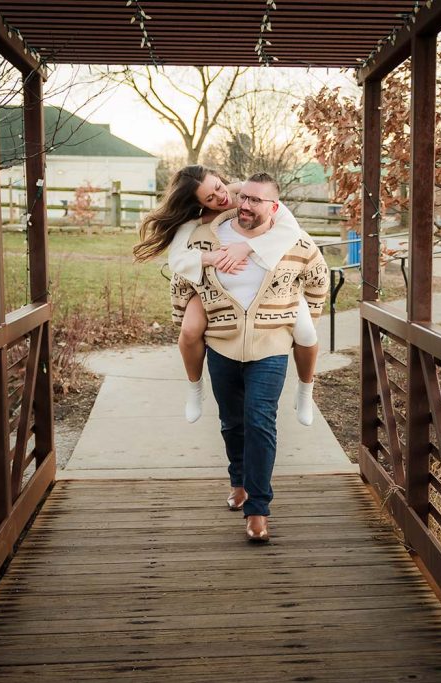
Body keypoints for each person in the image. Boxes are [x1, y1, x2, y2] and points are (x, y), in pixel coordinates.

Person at [170, 173, 329, 542]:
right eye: (244, 199)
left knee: (259, 422)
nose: (243, 204)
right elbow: (180, 279)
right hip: (222, 342)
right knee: (231, 422)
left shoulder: (290, 236)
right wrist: (187, 318)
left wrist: (301, 318)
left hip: (271, 345)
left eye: (255, 201)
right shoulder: (206, 233)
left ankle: (258, 508)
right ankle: (238, 482)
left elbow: (318, 278)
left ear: (274, 206)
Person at [133, 166, 320, 427]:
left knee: (307, 333)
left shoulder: (248, 194)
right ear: (198, 204)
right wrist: (209, 258)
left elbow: (290, 229)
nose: (220, 197)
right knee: (189, 330)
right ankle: (194, 388)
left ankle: (305, 391)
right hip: (213, 285)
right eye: (209, 198)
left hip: (275, 285)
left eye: (218, 187)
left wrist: (245, 247)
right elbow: (177, 260)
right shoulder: (197, 221)